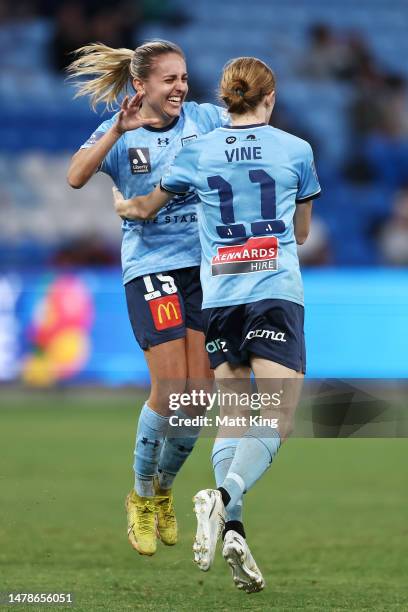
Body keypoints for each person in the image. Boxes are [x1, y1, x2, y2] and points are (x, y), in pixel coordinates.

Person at [112, 56, 321, 592]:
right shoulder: (297, 150)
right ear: (269, 98)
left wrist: (124, 204)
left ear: (224, 99)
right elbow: (300, 232)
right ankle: (223, 496)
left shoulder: (196, 152)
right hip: (273, 292)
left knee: (232, 412)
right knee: (277, 416)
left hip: (220, 297)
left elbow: (144, 209)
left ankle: (233, 526)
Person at [66, 40, 228, 557]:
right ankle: (138, 495)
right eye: (169, 79)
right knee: (170, 385)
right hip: (152, 268)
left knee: (197, 399)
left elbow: (252, 126)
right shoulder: (121, 131)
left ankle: (163, 491)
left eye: (184, 77)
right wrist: (118, 129)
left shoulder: (205, 118)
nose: (181, 87)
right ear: (141, 86)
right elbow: (74, 177)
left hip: (204, 270)